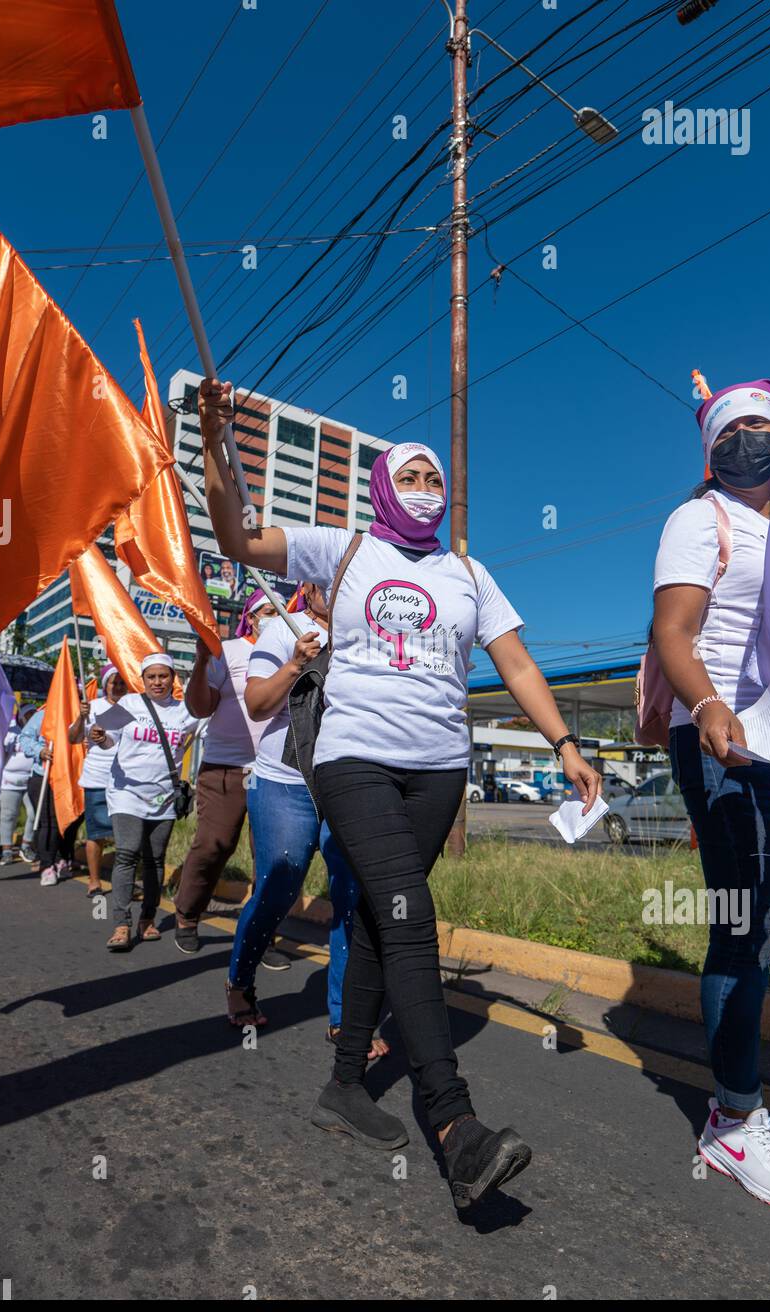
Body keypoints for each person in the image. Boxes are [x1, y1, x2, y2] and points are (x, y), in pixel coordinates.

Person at [201, 375, 601, 1210]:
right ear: (383, 488)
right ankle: (456, 1129)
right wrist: (212, 440)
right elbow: (237, 537)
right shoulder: (341, 549)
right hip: (355, 761)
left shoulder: (467, 571)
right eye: (409, 477)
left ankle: (343, 1086)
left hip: (440, 772)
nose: (425, 489)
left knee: (378, 921)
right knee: (411, 916)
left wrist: (563, 741)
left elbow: (517, 663)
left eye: (435, 480)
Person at [652, 378, 770, 1215]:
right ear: (713, 452)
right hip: (723, 739)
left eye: (766, 425)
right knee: (745, 926)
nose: (752, 438)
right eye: (735, 429)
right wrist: (707, 704)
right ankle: (732, 1116)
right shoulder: (701, 520)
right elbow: (675, 635)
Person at [226, 581, 387, 1060]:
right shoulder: (279, 632)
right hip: (284, 782)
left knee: (350, 894)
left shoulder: (369, 637)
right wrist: (296, 664)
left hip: (345, 782)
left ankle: (343, 1017)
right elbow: (256, 704)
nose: (341, 590)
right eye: (331, 581)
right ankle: (240, 979)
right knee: (281, 882)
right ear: (311, 589)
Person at [173, 591, 276, 954]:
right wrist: (201, 663)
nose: (274, 617)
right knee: (214, 845)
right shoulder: (227, 652)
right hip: (225, 768)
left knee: (272, 856)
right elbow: (201, 708)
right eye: (267, 611)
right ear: (250, 616)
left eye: (279, 611)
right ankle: (187, 913)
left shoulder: (292, 655)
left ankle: (263, 934)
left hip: (273, 772)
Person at [93, 653, 199, 952]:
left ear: (172, 678)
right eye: (151, 676)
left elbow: (211, 716)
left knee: (154, 859)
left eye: (163, 676)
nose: (157, 682)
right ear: (143, 680)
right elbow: (106, 738)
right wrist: (99, 737)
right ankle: (121, 923)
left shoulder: (185, 712)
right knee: (127, 852)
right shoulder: (129, 704)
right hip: (126, 791)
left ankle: (147, 919)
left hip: (164, 796)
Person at [67, 665, 127, 895]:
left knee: (126, 836)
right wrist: (82, 719)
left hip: (125, 782)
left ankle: (123, 883)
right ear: (105, 685)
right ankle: (94, 880)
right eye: (114, 682)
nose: (118, 686)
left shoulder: (134, 707)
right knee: (97, 833)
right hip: (97, 779)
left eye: (122, 682)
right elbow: (73, 738)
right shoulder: (92, 708)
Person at [22, 703, 81, 885]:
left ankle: (64, 857)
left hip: (72, 777)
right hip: (43, 776)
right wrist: (39, 751)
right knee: (49, 821)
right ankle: (47, 865)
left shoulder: (80, 715)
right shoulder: (42, 715)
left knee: (72, 819)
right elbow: (24, 738)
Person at [0, 703, 38, 865]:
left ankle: (26, 845)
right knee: (8, 815)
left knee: (34, 814)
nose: (32, 717)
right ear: (21, 716)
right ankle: (7, 850)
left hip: (30, 779)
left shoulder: (38, 731)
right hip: (10, 781)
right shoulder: (9, 731)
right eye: (28, 714)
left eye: (34, 714)